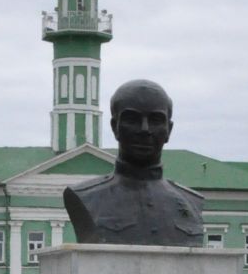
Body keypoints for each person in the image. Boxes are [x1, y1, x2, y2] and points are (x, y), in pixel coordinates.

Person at [63, 79, 206, 246]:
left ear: (169, 130)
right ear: (114, 127)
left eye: (155, 120)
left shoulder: (192, 202)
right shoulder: (85, 197)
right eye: (132, 119)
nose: (145, 129)